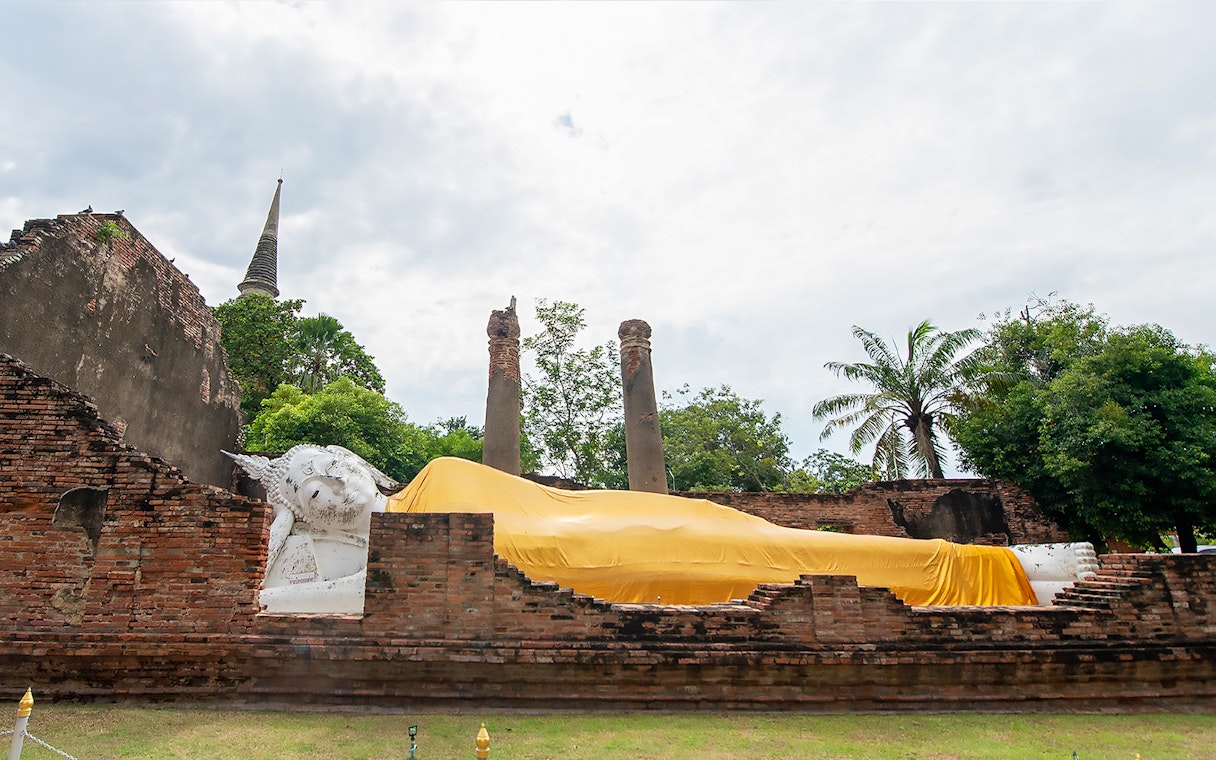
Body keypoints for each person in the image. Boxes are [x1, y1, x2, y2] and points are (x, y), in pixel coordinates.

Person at [231, 447, 1098, 613]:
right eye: (310, 486)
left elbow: (539, 496)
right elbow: (290, 600)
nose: (332, 484)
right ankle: (1003, 571)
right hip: (578, 559)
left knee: (759, 539)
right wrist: (280, 536)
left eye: (333, 465)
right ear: (300, 507)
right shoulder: (369, 554)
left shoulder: (435, 481)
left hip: (596, 520)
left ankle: (997, 567)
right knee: (764, 562)